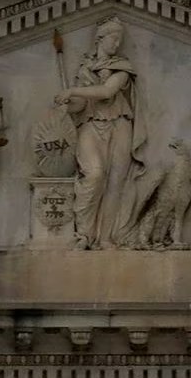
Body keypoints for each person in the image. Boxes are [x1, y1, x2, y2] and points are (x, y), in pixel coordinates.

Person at [53, 17, 145, 248]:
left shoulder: (122, 68)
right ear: (100, 38)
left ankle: (105, 237)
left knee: (115, 183)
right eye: (114, 38)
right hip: (90, 125)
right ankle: (84, 234)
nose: (116, 44)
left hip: (120, 124)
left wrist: (73, 90)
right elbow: (80, 106)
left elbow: (106, 92)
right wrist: (66, 102)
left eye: (119, 39)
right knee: (94, 174)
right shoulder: (84, 69)